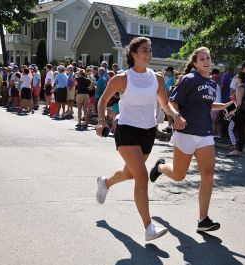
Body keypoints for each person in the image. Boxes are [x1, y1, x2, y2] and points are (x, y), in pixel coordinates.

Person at [95, 37, 185, 241]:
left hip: (148, 133)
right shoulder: (122, 78)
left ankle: (105, 183)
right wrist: (101, 121)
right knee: (142, 177)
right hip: (126, 131)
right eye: (144, 50)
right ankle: (148, 227)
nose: (149, 54)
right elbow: (102, 100)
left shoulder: (158, 78)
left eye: (150, 50)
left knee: (129, 174)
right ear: (133, 53)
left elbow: (164, 104)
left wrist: (175, 115)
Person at [149, 47, 234, 232]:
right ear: (195, 63)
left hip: (205, 134)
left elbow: (207, 105)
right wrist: (177, 116)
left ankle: (203, 220)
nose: (206, 61)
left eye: (208, 57)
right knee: (179, 176)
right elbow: (172, 101)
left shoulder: (212, 83)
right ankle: (160, 167)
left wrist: (225, 106)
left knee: (208, 174)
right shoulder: (189, 79)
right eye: (202, 58)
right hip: (185, 132)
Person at [226, 72, 245, 157]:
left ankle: (235, 149)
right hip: (244, 113)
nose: (234, 79)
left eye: (236, 77)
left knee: (231, 129)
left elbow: (239, 104)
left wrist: (230, 111)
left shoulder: (239, 88)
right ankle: (239, 151)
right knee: (240, 132)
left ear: (240, 79)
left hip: (239, 113)